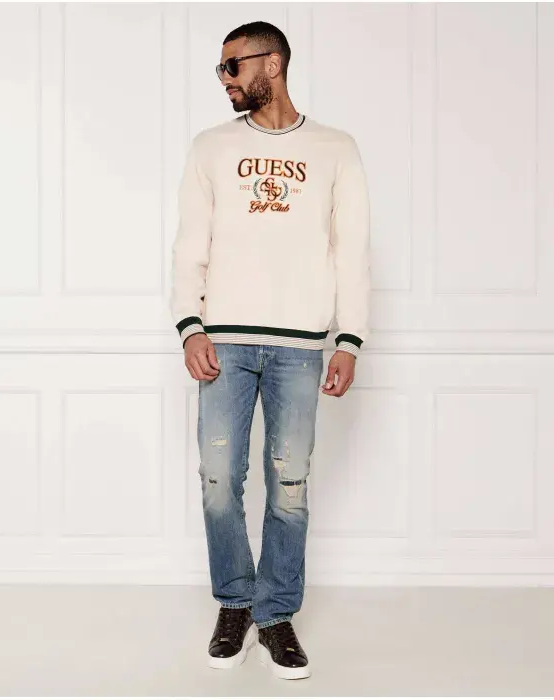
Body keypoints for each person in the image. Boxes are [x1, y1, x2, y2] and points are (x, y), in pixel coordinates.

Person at [168, 20, 370, 681]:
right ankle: (235, 602)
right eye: (221, 68)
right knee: (218, 480)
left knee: (289, 485)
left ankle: (276, 613)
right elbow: (189, 245)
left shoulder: (335, 148)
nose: (225, 79)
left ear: (272, 63)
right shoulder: (211, 148)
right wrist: (191, 325)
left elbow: (352, 250)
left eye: (233, 66)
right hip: (223, 342)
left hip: (300, 346)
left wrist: (350, 337)